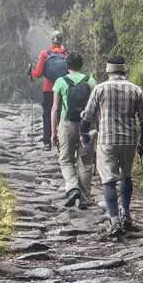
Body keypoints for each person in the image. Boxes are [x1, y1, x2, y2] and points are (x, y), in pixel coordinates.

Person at [79, 56, 143, 236]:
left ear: (108, 71)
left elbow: (87, 117)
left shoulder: (100, 89)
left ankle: (114, 221)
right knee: (126, 177)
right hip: (129, 140)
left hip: (107, 141)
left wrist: (84, 134)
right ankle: (126, 215)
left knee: (108, 180)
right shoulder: (135, 90)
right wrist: (142, 143)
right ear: (124, 71)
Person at [50, 52, 97, 209]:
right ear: (81, 64)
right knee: (85, 161)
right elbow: (96, 107)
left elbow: (55, 108)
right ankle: (84, 197)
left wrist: (53, 132)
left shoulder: (60, 82)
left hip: (67, 124)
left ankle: (73, 187)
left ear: (67, 65)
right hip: (87, 125)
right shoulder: (90, 81)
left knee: (65, 159)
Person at [29, 31, 69, 148]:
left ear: (51, 40)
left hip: (48, 89)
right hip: (63, 89)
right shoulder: (67, 54)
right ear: (62, 40)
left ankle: (47, 141)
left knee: (47, 114)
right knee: (62, 114)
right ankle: (62, 140)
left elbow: (37, 74)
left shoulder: (45, 54)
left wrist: (30, 71)